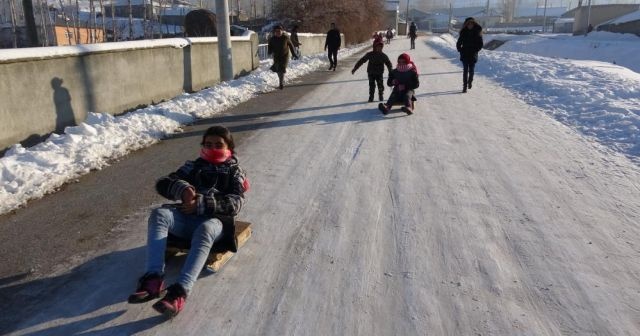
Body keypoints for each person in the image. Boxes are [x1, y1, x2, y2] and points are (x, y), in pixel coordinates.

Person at [128, 125, 249, 317]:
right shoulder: (194, 166)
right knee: (159, 214)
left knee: (205, 229)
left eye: (218, 144)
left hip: (215, 223)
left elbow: (235, 204)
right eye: (208, 144)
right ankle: (153, 278)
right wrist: (182, 189)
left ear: (229, 147)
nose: (213, 148)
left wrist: (201, 204)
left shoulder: (235, 172)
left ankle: (180, 292)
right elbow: (163, 183)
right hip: (186, 219)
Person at [456, 17, 483, 93]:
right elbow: (459, 43)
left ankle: (470, 81)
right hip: (464, 53)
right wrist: (460, 49)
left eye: (471, 24)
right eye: (468, 24)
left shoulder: (477, 32)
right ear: (466, 24)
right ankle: (464, 87)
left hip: (473, 54)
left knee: (471, 70)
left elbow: (480, 44)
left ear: (474, 24)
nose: (470, 25)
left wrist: (476, 50)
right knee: (465, 70)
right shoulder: (463, 32)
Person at [268, 24, 296, 89]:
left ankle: (281, 83)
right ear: (274, 32)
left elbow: (291, 45)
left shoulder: (285, 38)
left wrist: (293, 53)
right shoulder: (272, 39)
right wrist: (269, 51)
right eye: (276, 31)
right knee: (278, 69)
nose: (278, 32)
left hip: (284, 56)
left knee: (282, 69)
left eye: (279, 31)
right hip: (276, 56)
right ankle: (281, 80)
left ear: (282, 31)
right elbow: (270, 46)